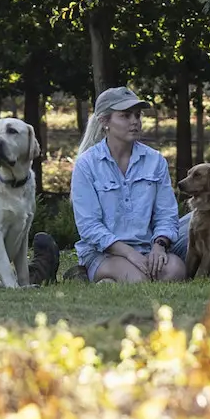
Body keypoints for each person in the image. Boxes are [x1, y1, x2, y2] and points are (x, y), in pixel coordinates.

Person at [73, 85, 185, 281]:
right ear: (104, 121)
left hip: (146, 249)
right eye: (125, 116)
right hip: (103, 253)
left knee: (176, 270)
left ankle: (110, 282)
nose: (135, 121)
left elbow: (166, 214)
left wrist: (159, 246)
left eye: (137, 115)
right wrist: (129, 254)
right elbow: (89, 226)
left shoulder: (155, 160)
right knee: (137, 278)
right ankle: (90, 275)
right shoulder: (86, 164)